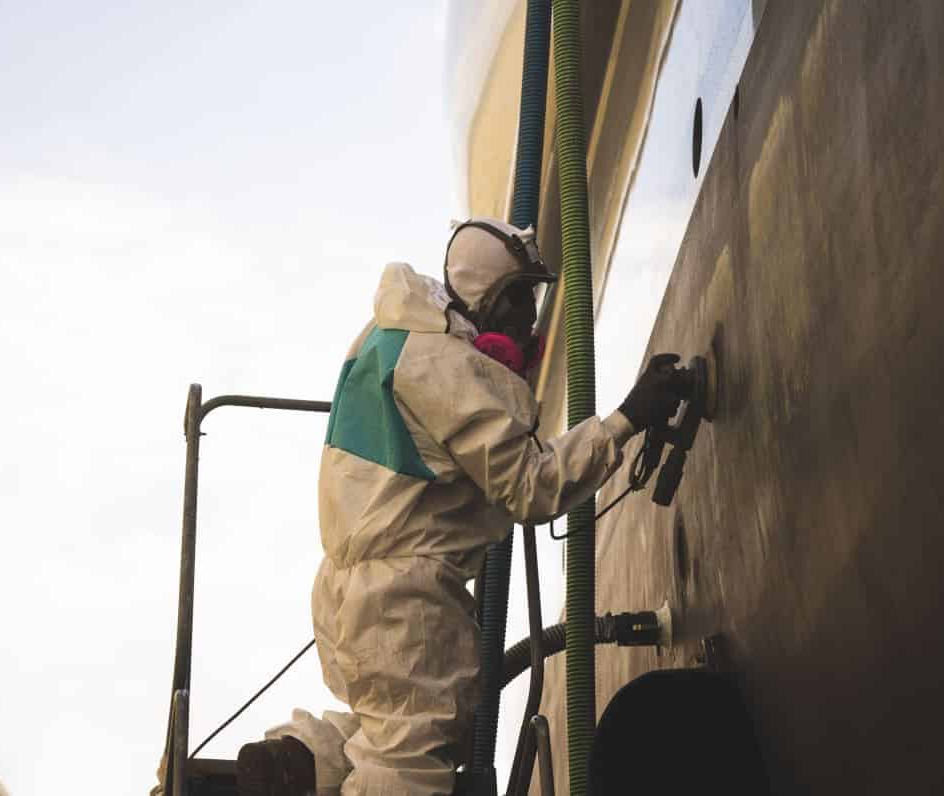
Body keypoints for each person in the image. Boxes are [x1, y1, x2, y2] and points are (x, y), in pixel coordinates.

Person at [238, 218, 688, 796]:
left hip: (346, 591)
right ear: (491, 303)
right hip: (404, 599)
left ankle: (304, 761)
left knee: (395, 721)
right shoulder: (446, 364)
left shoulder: (384, 336)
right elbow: (533, 486)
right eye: (524, 301)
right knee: (408, 762)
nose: (530, 322)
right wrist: (629, 416)